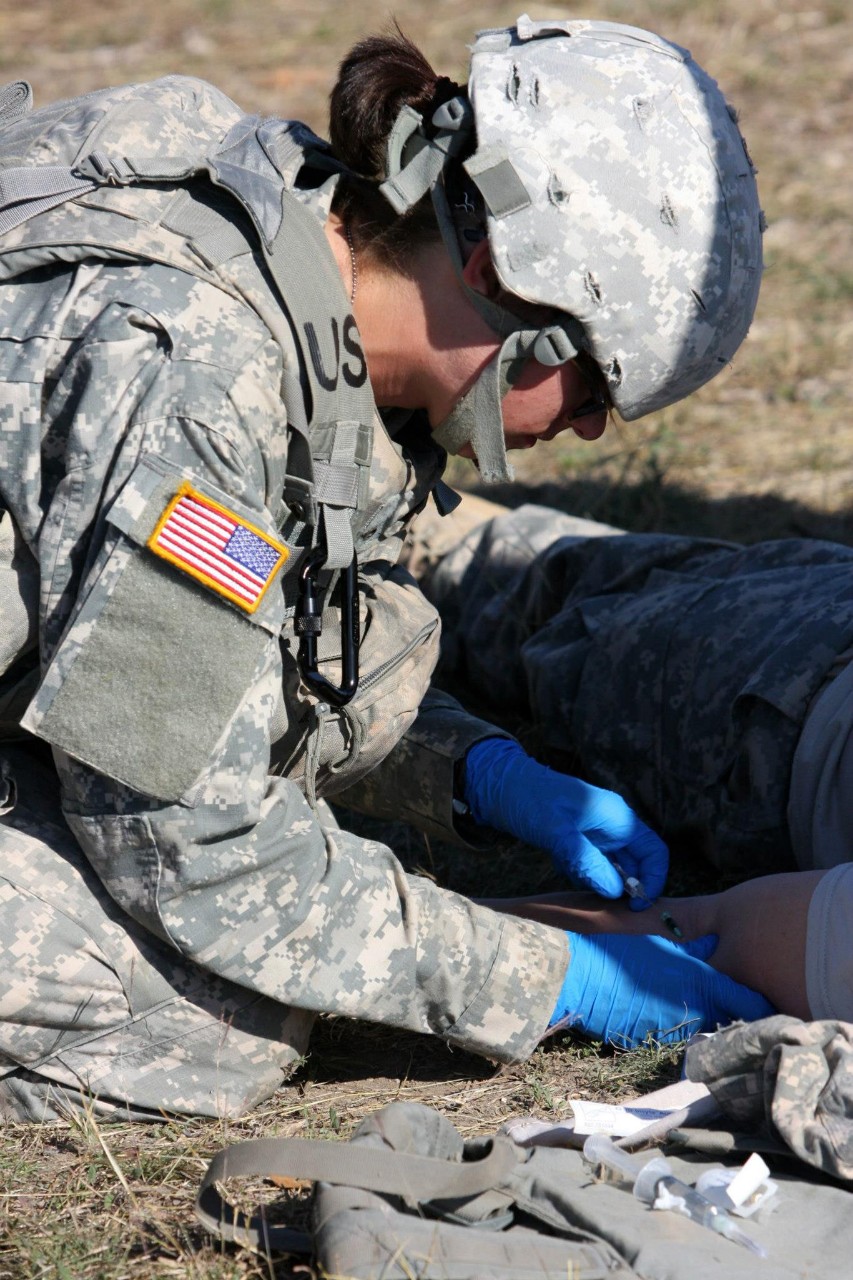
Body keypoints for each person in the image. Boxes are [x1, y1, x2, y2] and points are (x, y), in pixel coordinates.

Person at [0, 18, 770, 1122]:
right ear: (497, 270)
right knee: (189, 1017)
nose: (591, 432)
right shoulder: (200, 368)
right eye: (592, 389)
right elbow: (186, 846)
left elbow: (258, 658)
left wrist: (475, 773)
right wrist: (547, 977)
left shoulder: (303, 266)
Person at [405, 494, 853, 1026]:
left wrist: (428, 942)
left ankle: (405, 538)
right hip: (804, 656)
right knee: (549, 579)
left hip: (791, 696)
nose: (595, 429)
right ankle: (399, 532)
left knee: (559, 589)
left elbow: (711, 928)